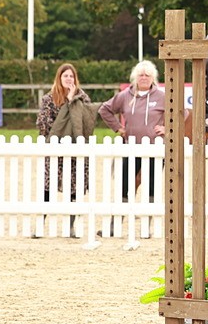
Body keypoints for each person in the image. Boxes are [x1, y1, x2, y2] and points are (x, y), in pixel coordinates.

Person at [36, 63, 98, 235]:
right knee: (47, 187)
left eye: (71, 76)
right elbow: (43, 122)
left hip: (76, 149)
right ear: (59, 78)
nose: (68, 79)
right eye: (65, 76)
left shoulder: (82, 97)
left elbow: (86, 120)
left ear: (75, 78)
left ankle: (70, 226)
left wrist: (72, 101)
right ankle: (40, 223)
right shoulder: (49, 98)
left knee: (75, 187)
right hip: (55, 148)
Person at [99, 60, 166, 206]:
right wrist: (118, 128)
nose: (143, 78)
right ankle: (115, 224)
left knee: (151, 188)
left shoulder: (161, 96)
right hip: (131, 148)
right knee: (124, 185)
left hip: (154, 149)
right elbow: (104, 109)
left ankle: (148, 226)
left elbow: (182, 113)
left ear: (153, 78)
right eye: (140, 75)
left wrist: (168, 128)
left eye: (147, 75)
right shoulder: (125, 96)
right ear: (135, 77)